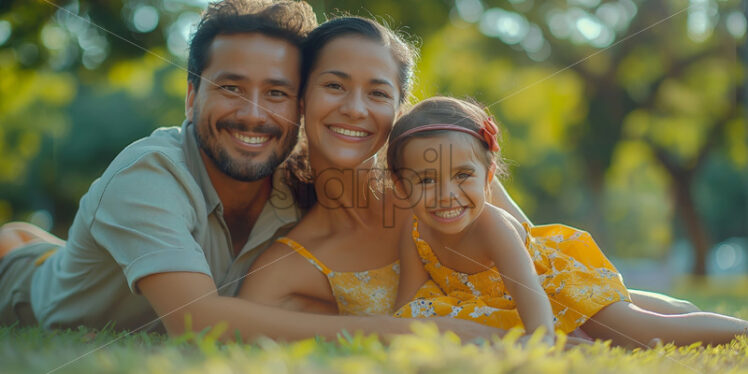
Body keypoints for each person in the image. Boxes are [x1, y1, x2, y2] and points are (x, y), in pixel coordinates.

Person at [0, 0, 500, 342]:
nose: (255, 114)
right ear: (193, 93)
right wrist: (418, 333)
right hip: (22, 292)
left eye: (277, 93)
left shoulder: (297, 181)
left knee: (42, 244)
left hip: (85, 257)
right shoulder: (147, 176)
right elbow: (198, 323)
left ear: (300, 103)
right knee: (19, 254)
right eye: (231, 87)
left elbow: (478, 206)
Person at [388, 96, 748, 348]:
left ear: (488, 177)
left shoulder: (492, 225)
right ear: (402, 188)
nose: (446, 194)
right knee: (643, 313)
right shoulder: (416, 232)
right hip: (509, 301)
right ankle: (681, 309)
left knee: (640, 332)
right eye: (425, 180)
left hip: (555, 286)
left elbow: (531, 292)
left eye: (462, 175)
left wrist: (542, 339)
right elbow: (409, 304)